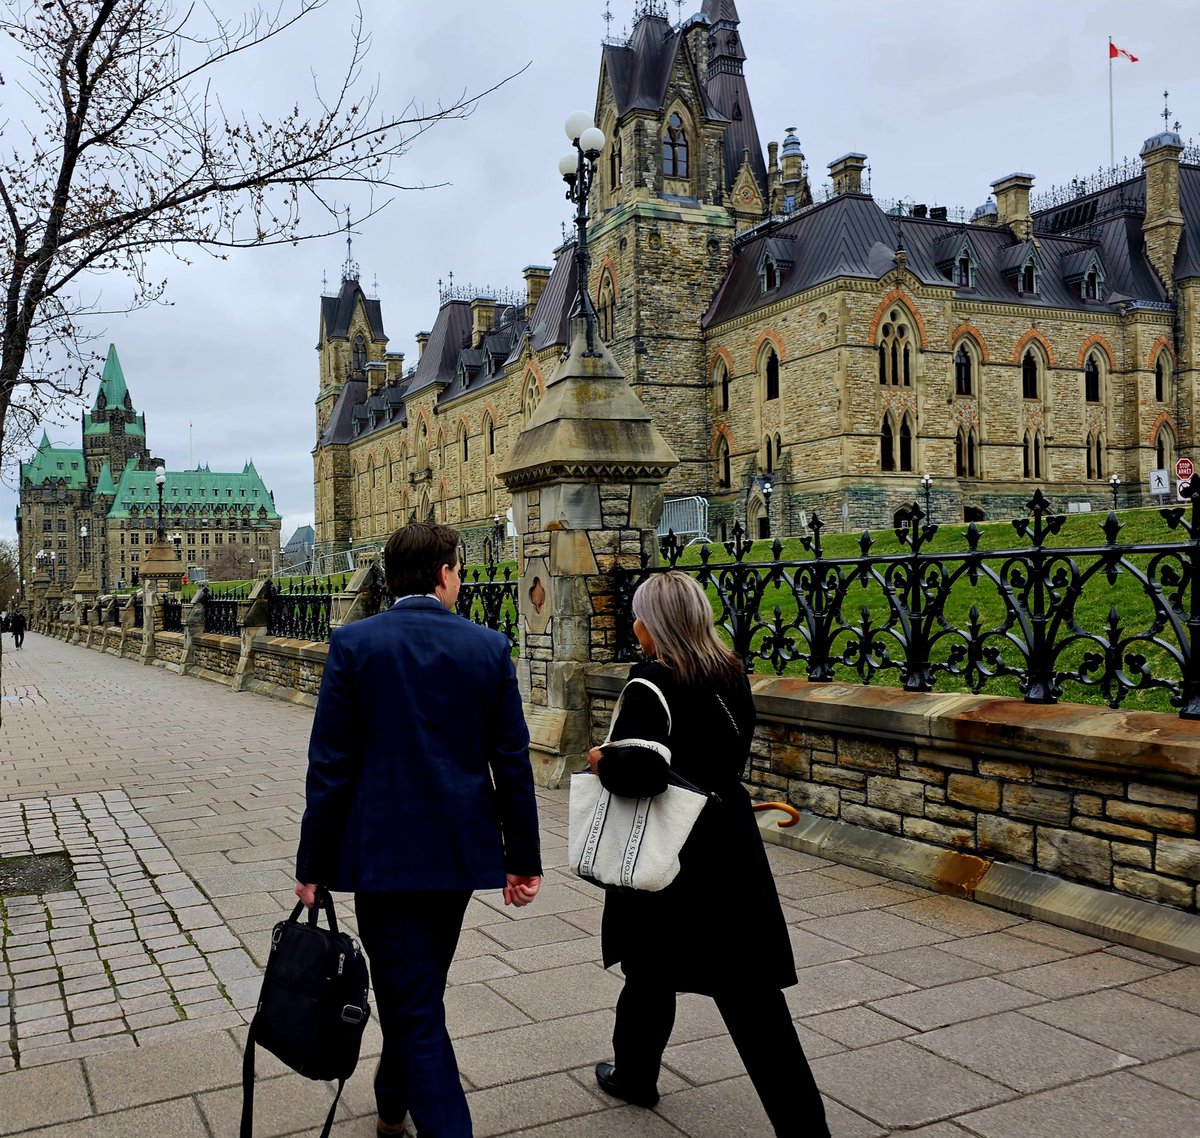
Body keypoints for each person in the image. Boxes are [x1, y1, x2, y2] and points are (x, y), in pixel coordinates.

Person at [295, 522, 542, 1138]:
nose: (460, 579)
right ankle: (394, 1108)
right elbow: (511, 761)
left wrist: (312, 863)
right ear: (443, 574)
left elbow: (329, 764)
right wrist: (523, 857)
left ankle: (392, 1106)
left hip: (382, 860)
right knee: (418, 996)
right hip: (456, 858)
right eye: (458, 568)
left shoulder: (354, 644)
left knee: (414, 998)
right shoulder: (488, 648)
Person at [587, 570, 829, 1138]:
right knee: (743, 994)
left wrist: (603, 761)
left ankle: (636, 1074)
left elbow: (642, 773)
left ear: (657, 624)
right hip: (727, 840)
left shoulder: (652, 682)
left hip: (672, 849)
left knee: (655, 965)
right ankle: (637, 1073)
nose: (634, 624)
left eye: (640, 615)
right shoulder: (729, 672)